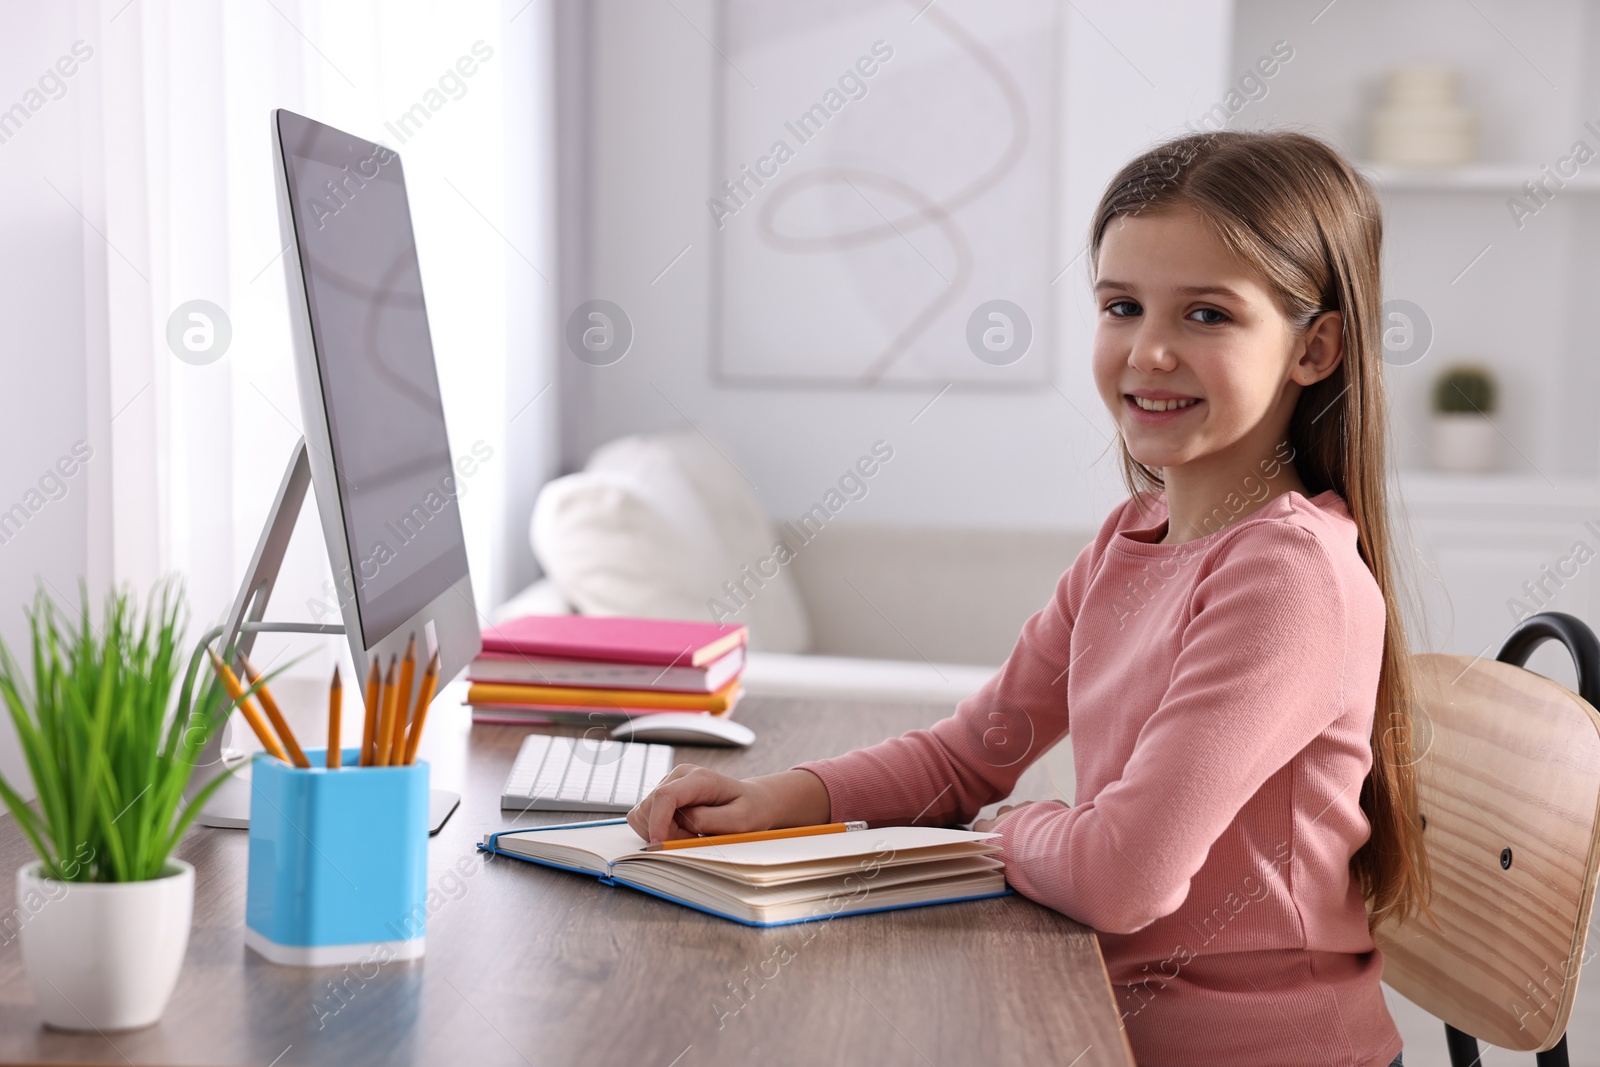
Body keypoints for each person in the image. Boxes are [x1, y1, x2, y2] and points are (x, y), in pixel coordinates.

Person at [628, 129, 1430, 1067]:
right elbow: (974, 752)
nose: (1151, 350)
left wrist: (1014, 832)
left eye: (1208, 315)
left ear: (1316, 347)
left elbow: (1122, 875)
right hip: (1099, 1017)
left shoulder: (1290, 579)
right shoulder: (1129, 540)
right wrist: (779, 797)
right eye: (1122, 306)